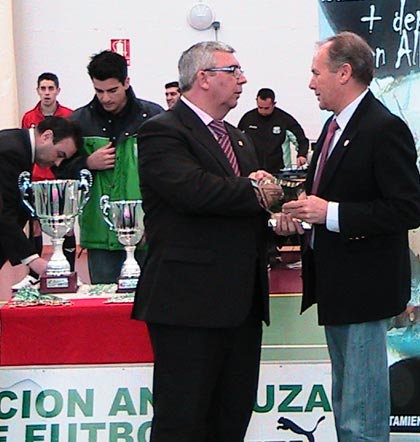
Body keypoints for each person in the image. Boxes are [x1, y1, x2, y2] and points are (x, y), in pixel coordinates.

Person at [274, 32, 420, 441]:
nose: (310, 83)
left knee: (361, 411)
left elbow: (407, 209)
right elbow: (329, 197)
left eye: (315, 72)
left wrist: (330, 213)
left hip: (365, 287)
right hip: (337, 285)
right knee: (347, 403)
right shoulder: (332, 127)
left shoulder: (383, 128)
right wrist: (304, 216)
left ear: (344, 73)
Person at [132, 41, 274, 441]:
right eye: (234, 71)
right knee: (183, 420)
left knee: (232, 418)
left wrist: (277, 217)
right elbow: (192, 191)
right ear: (204, 78)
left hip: (242, 305)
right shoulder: (161, 130)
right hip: (187, 305)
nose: (243, 79)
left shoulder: (240, 138)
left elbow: (247, 205)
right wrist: (256, 191)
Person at [60, 50, 164, 284]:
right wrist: (86, 163)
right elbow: (59, 171)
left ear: (126, 82)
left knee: (153, 306)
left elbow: (170, 173)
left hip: (147, 232)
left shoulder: (155, 118)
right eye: (99, 91)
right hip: (100, 235)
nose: (105, 98)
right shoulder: (79, 122)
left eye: (112, 90)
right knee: (103, 309)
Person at [0, 117, 81, 281]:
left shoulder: (17, 146)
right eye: (59, 154)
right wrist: (33, 259)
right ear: (46, 136)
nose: (57, 163)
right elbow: (3, 211)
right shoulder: (10, 152)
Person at [14, 72, 75, 289]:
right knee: (36, 225)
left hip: (60, 182)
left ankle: (68, 269)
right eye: (43, 88)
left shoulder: (69, 116)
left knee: (66, 226)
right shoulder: (29, 118)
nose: (47, 93)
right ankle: (33, 273)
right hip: (37, 181)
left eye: (51, 88)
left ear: (58, 90)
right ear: (38, 90)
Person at [238, 87, 309, 173]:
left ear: (274, 104)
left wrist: (301, 155)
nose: (263, 111)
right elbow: (237, 140)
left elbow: (301, 139)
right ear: (256, 101)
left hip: (279, 170)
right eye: (260, 107)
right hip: (253, 171)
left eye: (267, 108)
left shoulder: (284, 119)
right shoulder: (248, 118)